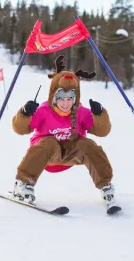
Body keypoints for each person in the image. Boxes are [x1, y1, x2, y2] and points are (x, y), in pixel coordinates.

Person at [11, 55, 118, 211]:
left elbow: (103, 131)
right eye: (61, 98)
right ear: (54, 97)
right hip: (47, 155)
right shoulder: (43, 111)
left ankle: (106, 187)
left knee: (88, 144)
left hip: (72, 154)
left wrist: (99, 114)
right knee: (48, 142)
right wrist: (25, 113)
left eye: (70, 98)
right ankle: (22, 184)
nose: (65, 103)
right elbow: (20, 129)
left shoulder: (81, 112)